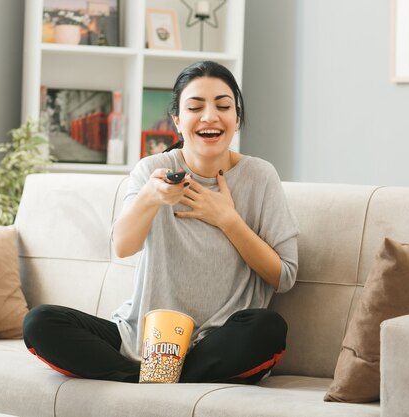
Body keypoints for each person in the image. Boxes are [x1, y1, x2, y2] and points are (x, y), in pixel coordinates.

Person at [23, 60, 299, 384]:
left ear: (236, 118)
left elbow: (284, 276)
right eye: (195, 107)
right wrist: (150, 198)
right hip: (141, 339)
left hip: (217, 342)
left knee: (268, 328)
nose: (210, 116)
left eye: (223, 106)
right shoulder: (151, 170)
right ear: (178, 121)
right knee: (39, 322)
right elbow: (123, 247)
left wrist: (228, 220)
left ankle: (153, 381)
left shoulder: (260, 176)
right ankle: (153, 378)